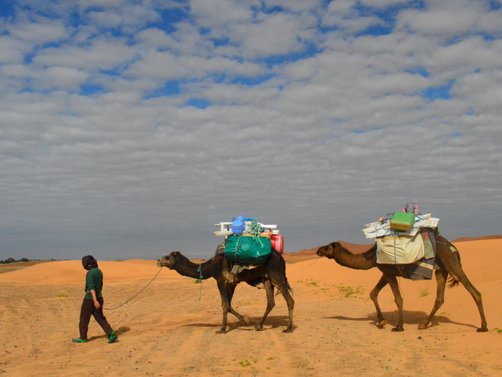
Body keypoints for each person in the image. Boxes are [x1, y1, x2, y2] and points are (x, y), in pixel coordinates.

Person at [72, 255, 117, 344]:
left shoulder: (90, 273)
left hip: (90, 299)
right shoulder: (99, 271)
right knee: (100, 317)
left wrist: (95, 300)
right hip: (100, 297)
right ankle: (111, 334)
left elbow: (91, 287)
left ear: (88, 264)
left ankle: (83, 337)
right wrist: (97, 300)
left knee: (84, 318)